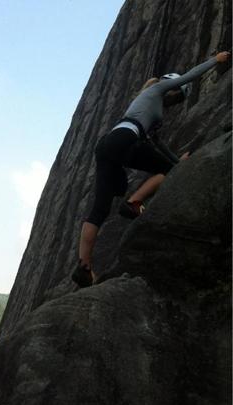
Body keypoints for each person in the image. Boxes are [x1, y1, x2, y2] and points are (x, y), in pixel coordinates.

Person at [72, 51, 231, 288]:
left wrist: (177, 162)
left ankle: (84, 266)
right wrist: (215, 61)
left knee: (101, 207)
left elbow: (157, 145)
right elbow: (188, 77)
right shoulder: (156, 90)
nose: (175, 103)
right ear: (171, 88)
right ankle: (134, 203)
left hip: (109, 145)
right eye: (177, 98)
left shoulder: (148, 107)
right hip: (125, 140)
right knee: (164, 171)